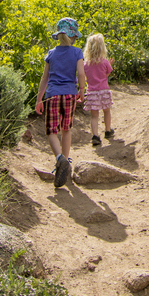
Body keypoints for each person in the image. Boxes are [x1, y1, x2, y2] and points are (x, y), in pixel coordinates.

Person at [35, 17, 85, 187]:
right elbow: (81, 73)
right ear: (73, 36)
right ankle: (66, 161)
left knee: (51, 131)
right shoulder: (77, 52)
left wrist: (39, 99)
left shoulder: (51, 53)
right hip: (70, 94)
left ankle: (59, 159)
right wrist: (82, 90)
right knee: (66, 129)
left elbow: (44, 78)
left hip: (53, 95)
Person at [83, 33, 115, 147]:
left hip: (91, 92)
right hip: (103, 90)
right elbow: (106, 74)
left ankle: (95, 136)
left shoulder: (85, 63)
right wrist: (109, 64)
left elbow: (86, 75)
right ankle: (107, 130)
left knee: (94, 116)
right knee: (106, 111)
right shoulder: (104, 61)